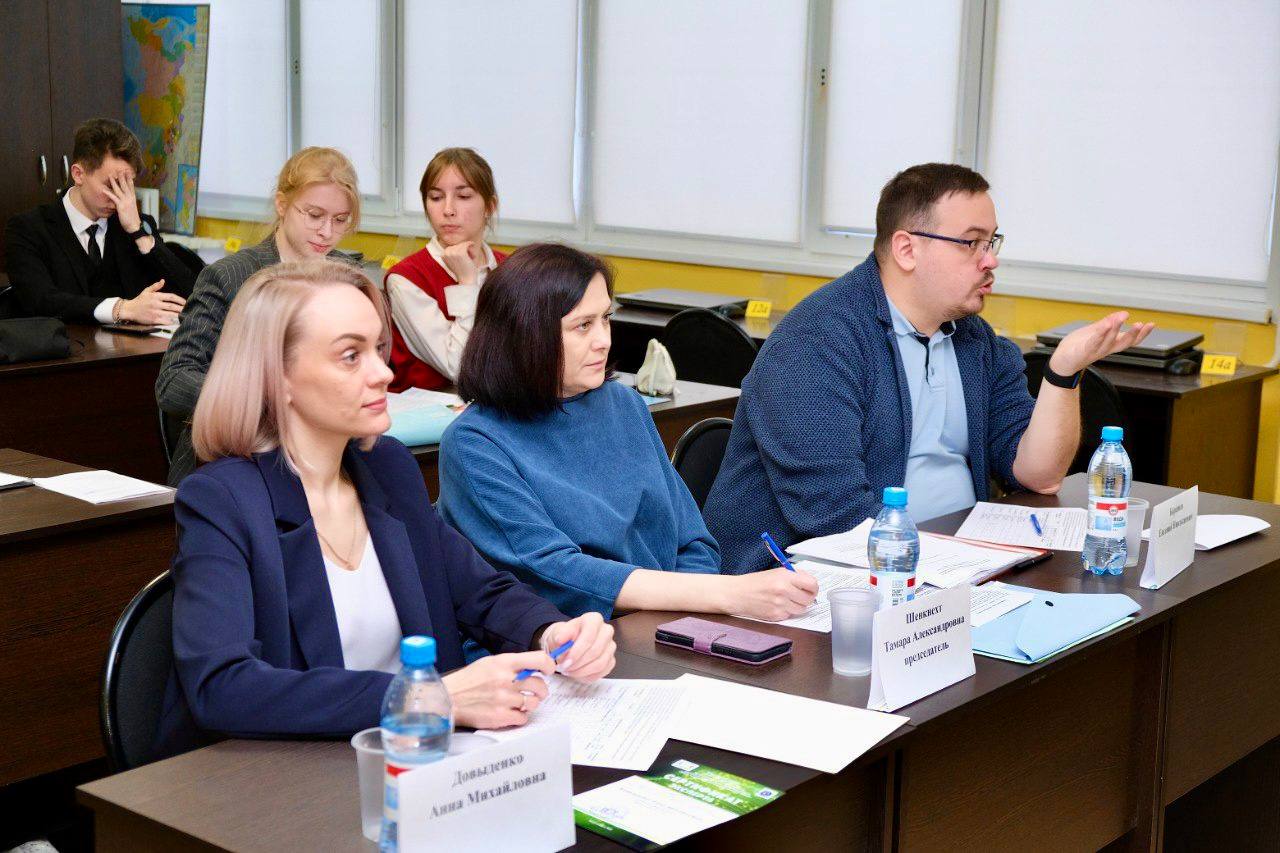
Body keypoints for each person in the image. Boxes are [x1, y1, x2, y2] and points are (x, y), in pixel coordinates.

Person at [154, 258, 615, 756]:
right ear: (277, 377)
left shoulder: (387, 467)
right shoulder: (221, 500)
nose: (383, 373)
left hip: (413, 759)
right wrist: (428, 698)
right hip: (285, 775)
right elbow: (224, 687)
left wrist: (551, 632)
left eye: (377, 349)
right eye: (350, 356)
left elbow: (480, 592)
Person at [702, 163, 1156, 572]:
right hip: (812, 583)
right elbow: (835, 516)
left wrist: (1064, 372)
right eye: (971, 243)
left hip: (947, 567)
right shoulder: (815, 343)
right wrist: (963, 566)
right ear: (906, 249)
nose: (991, 259)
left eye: (992, 242)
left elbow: (1038, 474)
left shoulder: (973, 338)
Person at [437, 243, 818, 621]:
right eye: (583, 325)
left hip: (664, 620)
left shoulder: (623, 404)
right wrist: (720, 595)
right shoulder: (475, 443)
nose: (604, 339)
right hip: (566, 638)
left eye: (605, 318)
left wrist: (690, 619)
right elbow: (554, 573)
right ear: (525, 335)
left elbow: (692, 540)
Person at [156, 147, 361, 485]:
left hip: (326, 456)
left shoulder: (349, 276)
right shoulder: (229, 277)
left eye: (340, 220)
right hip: (237, 460)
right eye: (314, 215)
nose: (327, 231)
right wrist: (266, 404)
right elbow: (174, 381)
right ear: (282, 204)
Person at [4, 118, 195, 323]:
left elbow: (191, 295)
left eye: (126, 186)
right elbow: (40, 301)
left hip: (131, 343)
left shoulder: (136, 226)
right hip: (66, 343)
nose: (119, 197)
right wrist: (121, 309)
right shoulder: (28, 229)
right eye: (111, 185)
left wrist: (138, 232)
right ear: (78, 174)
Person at [384, 147, 504, 391]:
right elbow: (459, 367)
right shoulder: (406, 278)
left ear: (490, 206)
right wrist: (467, 283)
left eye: (464, 196)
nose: (448, 210)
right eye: (436, 197)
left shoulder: (510, 268)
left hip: (500, 403)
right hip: (428, 410)